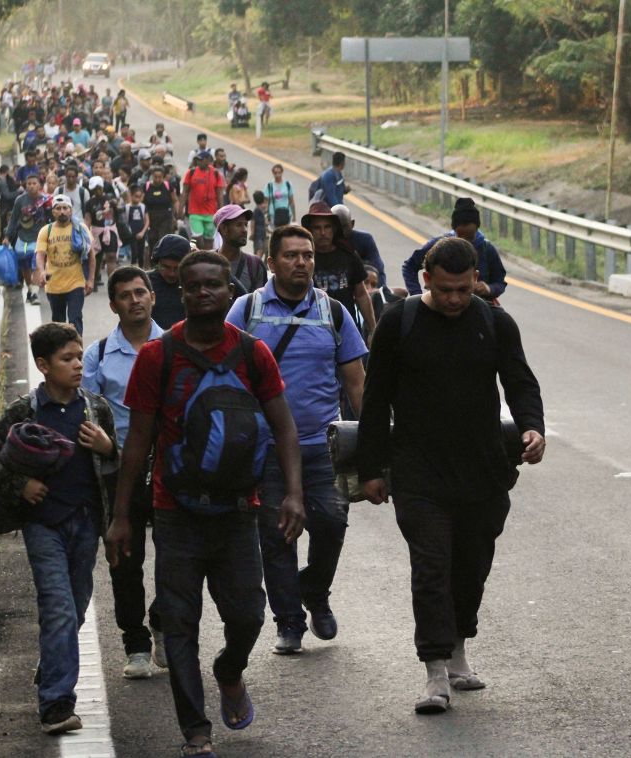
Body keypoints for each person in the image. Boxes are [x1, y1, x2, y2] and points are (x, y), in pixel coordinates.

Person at [106, 250, 305, 758]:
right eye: (192, 286)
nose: (201, 294)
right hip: (176, 512)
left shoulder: (254, 353)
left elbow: (283, 426)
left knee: (249, 617)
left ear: (229, 291)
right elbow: (138, 442)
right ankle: (195, 730)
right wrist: (122, 516)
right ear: (182, 292)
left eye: (212, 285)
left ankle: (229, 670)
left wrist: (294, 495)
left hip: (240, 509)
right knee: (178, 620)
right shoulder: (159, 356)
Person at [356, 236, 546, 714]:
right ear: (426, 280)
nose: (456, 299)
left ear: (475, 280)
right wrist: (372, 469)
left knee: (471, 565)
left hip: (482, 470)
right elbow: (376, 400)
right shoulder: (400, 323)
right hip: (418, 471)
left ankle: (459, 645)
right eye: (445, 290)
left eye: (463, 289)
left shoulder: (494, 322)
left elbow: (521, 382)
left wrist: (532, 428)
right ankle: (435, 671)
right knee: (432, 566)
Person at [226, 225, 367, 655]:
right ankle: (288, 620)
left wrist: (373, 442)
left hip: (325, 447)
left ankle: (315, 588)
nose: (302, 262)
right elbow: (225, 376)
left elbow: (356, 382)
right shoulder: (245, 311)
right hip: (265, 450)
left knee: (332, 522)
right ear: (271, 262)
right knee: (277, 534)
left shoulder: (333, 312)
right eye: (291, 256)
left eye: (307, 255)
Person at [0, 322, 117, 735]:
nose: (77, 365)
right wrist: (23, 485)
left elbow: (119, 463)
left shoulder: (95, 407)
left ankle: (52, 663)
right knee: (57, 608)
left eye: (79, 356)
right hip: (43, 526)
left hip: (87, 524)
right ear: (42, 365)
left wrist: (108, 448)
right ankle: (56, 704)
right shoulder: (25, 411)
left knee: (73, 608)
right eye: (67, 359)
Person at [83, 267, 166, 680]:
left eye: (141, 292)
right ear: (113, 304)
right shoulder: (98, 356)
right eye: (125, 296)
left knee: (177, 554)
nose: (135, 300)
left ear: (152, 296)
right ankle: (135, 643)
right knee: (124, 560)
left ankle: (164, 621)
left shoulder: (174, 346)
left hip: (171, 469)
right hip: (119, 471)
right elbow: (85, 413)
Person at [402, 198, 506, 303]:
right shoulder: (439, 247)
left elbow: (499, 282)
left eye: (470, 237)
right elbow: (409, 267)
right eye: (460, 237)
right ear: (454, 231)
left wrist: (488, 289)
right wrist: (418, 296)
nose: (465, 243)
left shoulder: (486, 249)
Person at [300, 202, 376, 343]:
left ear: (334, 229)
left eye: (327, 227)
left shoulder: (348, 255)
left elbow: (361, 294)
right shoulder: (303, 259)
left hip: (346, 330)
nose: (323, 233)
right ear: (309, 230)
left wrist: (372, 329)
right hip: (313, 333)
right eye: (317, 228)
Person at [36, 194, 94, 336]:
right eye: (58, 208)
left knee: (75, 319)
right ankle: (61, 354)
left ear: (71, 210)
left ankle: (77, 351)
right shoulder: (46, 231)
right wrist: (42, 271)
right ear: (53, 211)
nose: (62, 211)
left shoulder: (81, 229)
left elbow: (91, 255)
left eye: (65, 208)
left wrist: (91, 279)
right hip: (54, 285)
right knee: (58, 323)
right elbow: (40, 254)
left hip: (76, 283)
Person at [3, 173, 50, 305]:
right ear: (25, 185)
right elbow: (13, 220)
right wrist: (7, 236)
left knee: (36, 265)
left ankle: (34, 293)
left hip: (38, 239)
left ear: (39, 185)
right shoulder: (20, 201)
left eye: (34, 183)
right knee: (25, 266)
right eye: (29, 184)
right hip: (23, 239)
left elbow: (50, 220)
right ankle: (30, 289)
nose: (31, 186)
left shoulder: (45, 201)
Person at [213, 204, 267, 297]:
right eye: (239, 225)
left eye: (246, 224)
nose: (245, 230)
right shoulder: (208, 262)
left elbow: (261, 304)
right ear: (224, 229)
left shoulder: (255, 265)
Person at [331, 204, 386, 287]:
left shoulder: (364, 240)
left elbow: (378, 270)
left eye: (343, 227)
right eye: (335, 227)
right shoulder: (323, 242)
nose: (340, 232)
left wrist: (379, 294)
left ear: (352, 224)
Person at [181, 151, 226, 246]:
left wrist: (221, 212)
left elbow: (220, 195)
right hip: (195, 212)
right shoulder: (191, 172)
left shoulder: (216, 174)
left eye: (201, 160)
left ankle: (206, 259)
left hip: (211, 213)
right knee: (197, 237)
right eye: (197, 160)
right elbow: (185, 192)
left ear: (208, 161)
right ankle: (195, 254)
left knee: (209, 240)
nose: (198, 162)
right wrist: (181, 208)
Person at [148, 234, 189, 329]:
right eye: (165, 267)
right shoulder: (144, 283)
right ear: (157, 263)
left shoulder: (194, 284)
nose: (171, 274)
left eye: (177, 268)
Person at [144, 166, 180, 254]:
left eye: (160, 177)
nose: (157, 179)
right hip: (151, 218)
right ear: (152, 176)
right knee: (152, 240)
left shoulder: (168, 186)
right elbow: (141, 201)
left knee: (163, 239)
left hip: (165, 218)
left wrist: (176, 214)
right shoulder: (147, 186)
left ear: (163, 177)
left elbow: (175, 200)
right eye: (155, 177)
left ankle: (163, 258)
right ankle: (153, 261)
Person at [264, 163, 296, 228]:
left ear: (282, 172)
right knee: (276, 234)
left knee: (285, 234)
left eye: (279, 172)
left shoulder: (288, 184)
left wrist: (294, 216)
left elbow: (291, 201)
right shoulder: (269, 186)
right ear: (273, 173)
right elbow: (266, 202)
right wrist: (266, 215)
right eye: (275, 173)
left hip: (286, 213)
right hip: (274, 214)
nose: (277, 175)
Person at [125, 185, 149, 268]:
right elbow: (125, 221)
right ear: (131, 195)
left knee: (141, 253)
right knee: (134, 253)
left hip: (141, 233)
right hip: (132, 234)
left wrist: (142, 232)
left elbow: (147, 221)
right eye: (136, 196)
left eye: (139, 197)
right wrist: (128, 232)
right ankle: (133, 270)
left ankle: (141, 270)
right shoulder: (127, 207)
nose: (137, 199)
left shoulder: (143, 207)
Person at [251, 191, 269, 257]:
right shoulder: (259, 209)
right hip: (259, 233)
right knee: (260, 250)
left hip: (260, 233)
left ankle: (258, 264)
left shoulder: (257, 209)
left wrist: (252, 233)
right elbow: (253, 221)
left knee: (261, 249)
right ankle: (257, 264)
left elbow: (253, 222)